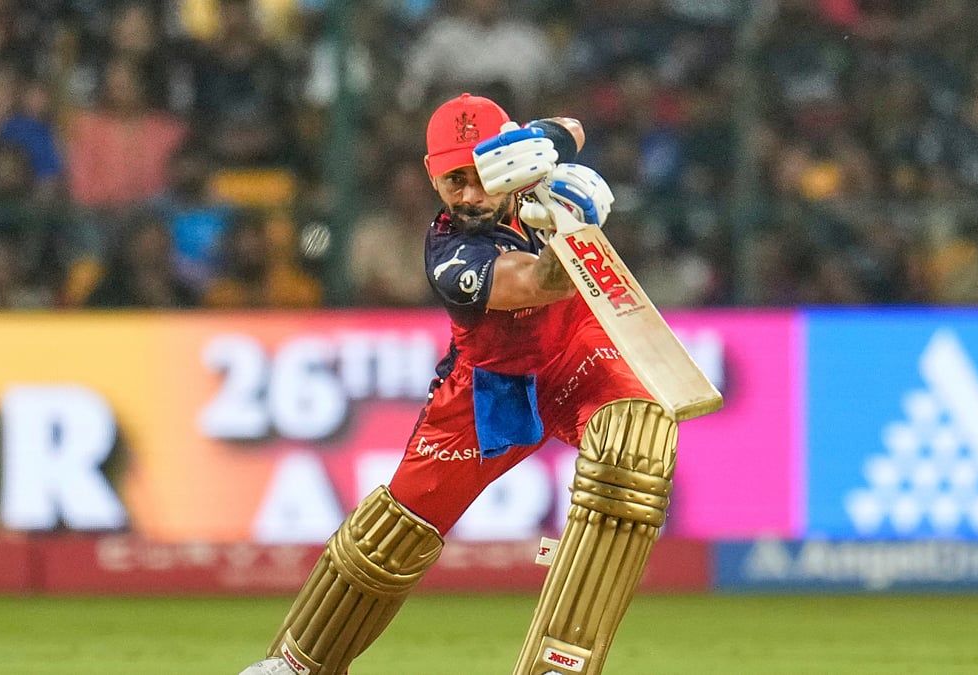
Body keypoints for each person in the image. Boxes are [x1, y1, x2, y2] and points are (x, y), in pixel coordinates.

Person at [241, 92, 682, 675]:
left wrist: (544, 144)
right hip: (491, 388)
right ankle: (299, 664)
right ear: (432, 177)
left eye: (481, 176)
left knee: (636, 442)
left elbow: (572, 127)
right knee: (389, 536)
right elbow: (541, 283)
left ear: (506, 160)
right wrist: (575, 226)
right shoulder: (451, 252)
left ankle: (562, 664)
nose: (471, 196)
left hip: (577, 356)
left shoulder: (528, 172)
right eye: (454, 181)